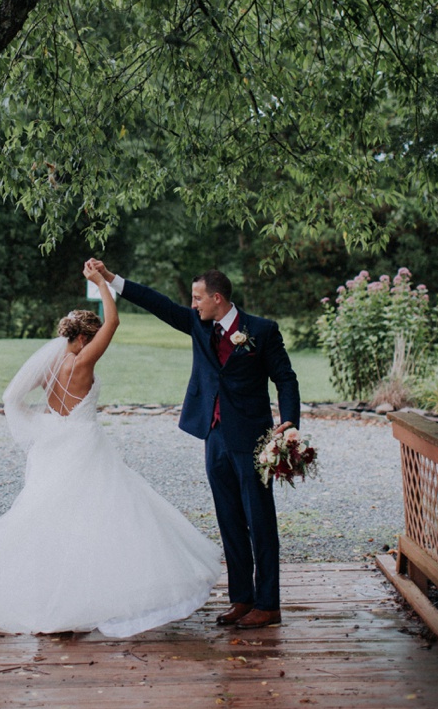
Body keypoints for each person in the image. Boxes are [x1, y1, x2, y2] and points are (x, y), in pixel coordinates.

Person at [0, 271, 224, 637]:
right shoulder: (83, 362)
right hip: (84, 445)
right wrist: (101, 282)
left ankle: (53, 594)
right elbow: (114, 321)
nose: (95, 341)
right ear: (83, 337)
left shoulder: (48, 366)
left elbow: (11, 398)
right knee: (104, 517)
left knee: (50, 519)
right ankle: (97, 594)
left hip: (52, 444)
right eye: (92, 336)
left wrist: (39, 427)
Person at [85, 258, 301, 628]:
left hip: (253, 439)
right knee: (229, 519)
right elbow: (159, 304)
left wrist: (290, 422)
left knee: (260, 520)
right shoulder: (199, 326)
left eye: (198, 298)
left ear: (217, 298)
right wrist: (110, 278)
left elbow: (286, 378)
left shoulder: (262, 331)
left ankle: (268, 603)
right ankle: (241, 599)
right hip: (212, 436)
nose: (192, 304)